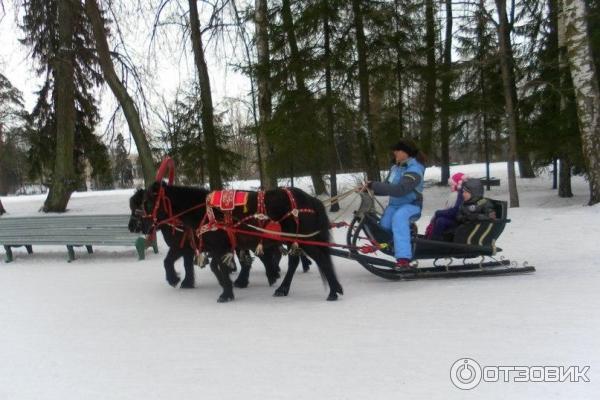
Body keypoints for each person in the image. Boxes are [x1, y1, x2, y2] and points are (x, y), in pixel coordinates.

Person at [367, 139, 427, 269]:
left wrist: (374, 185)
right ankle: (397, 245)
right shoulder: (395, 168)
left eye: (397, 150)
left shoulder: (415, 169)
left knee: (399, 219)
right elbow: (388, 187)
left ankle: (403, 259)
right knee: (384, 226)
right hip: (394, 205)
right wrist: (369, 189)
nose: (394, 152)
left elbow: (400, 190)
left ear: (406, 152)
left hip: (411, 206)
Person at [425, 172, 467, 241]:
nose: (451, 186)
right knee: (439, 218)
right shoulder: (458, 194)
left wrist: (438, 213)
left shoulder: (456, 195)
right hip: (456, 218)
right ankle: (433, 237)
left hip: (457, 220)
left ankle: (435, 240)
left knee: (440, 220)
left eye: (452, 185)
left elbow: (453, 211)